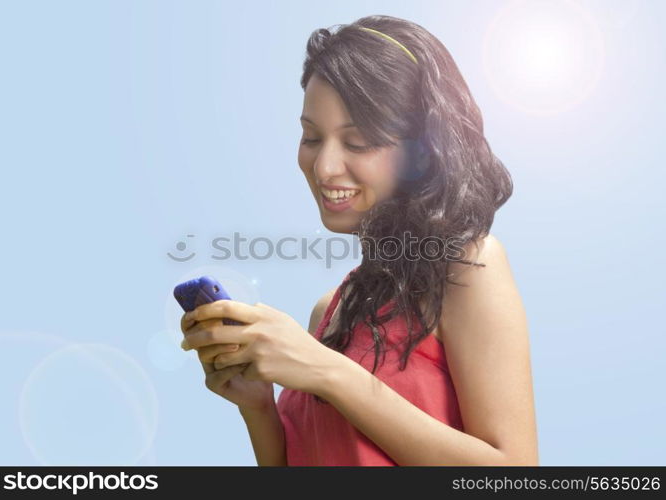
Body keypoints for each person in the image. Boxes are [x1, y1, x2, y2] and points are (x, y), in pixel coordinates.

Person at [180, 14, 538, 466]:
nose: (324, 166)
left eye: (359, 141)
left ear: (422, 151)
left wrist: (328, 372)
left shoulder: (468, 266)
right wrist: (258, 408)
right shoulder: (327, 313)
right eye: (311, 136)